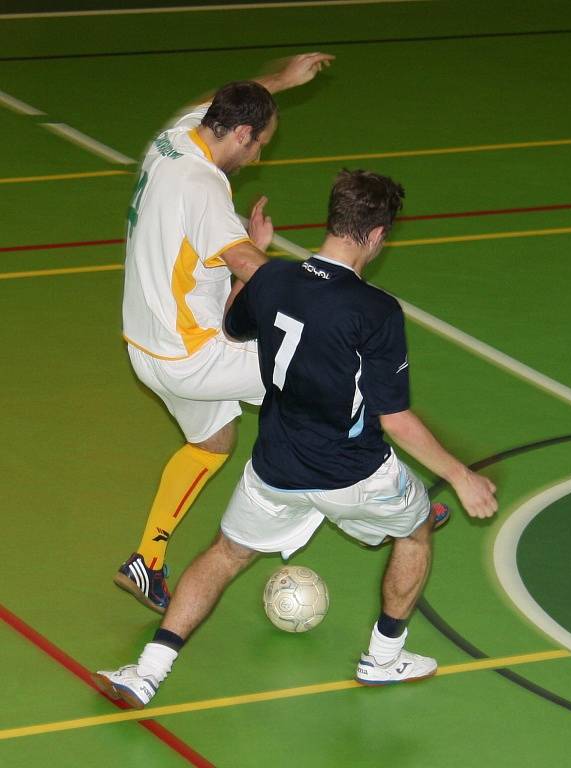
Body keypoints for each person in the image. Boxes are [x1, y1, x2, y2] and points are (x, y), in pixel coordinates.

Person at [94, 169, 497, 707]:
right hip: (354, 474)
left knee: (225, 554)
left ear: (333, 219)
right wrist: (460, 475)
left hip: (274, 469)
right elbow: (394, 419)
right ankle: (383, 658)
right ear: (377, 237)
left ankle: (145, 673)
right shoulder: (375, 311)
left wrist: (254, 261)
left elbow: (233, 328)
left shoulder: (274, 278)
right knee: (418, 527)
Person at [115, 52, 335, 614]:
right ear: (240, 133)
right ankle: (380, 496)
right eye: (259, 143)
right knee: (322, 375)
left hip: (145, 344)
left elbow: (229, 92)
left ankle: (147, 560)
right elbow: (245, 264)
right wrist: (319, 296)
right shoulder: (204, 187)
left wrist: (284, 79)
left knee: (213, 443)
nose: (260, 153)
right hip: (191, 354)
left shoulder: (178, 134)